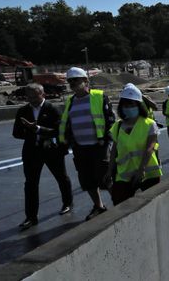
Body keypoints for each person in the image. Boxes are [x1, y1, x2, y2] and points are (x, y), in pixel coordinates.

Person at [58, 67, 116, 221]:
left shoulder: (99, 96)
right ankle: (99, 206)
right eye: (70, 81)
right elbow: (67, 123)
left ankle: (119, 204)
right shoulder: (70, 101)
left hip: (99, 146)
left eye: (75, 80)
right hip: (80, 147)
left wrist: (105, 139)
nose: (72, 84)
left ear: (85, 80)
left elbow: (110, 119)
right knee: (87, 180)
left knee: (105, 177)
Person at [13, 83, 73, 230]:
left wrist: (39, 129)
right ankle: (31, 217)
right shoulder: (22, 111)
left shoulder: (52, 109)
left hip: (51, 150)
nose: (32, 99)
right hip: (31, 152)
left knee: (61, 177)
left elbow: (59, 130)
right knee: (30, 184)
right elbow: (16, 133)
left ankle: (67, 203)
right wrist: (29, 131)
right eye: (29, 97)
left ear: (43, 95)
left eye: (35, 96)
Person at [109, 84, 162, 205]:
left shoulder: (149, 124)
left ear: (138, 106)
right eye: (125, 105)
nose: (128, 108)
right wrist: (109, 170)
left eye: (131, 105)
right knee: (119, 203)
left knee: (153, 205)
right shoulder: (117, 127)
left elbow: (150, 148)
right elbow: (114, 150)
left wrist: (141, 169)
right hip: (124, 174)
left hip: (148, 174)